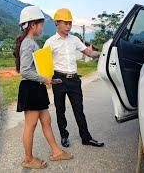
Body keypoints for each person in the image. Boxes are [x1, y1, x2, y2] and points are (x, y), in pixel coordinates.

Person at [13, 5, 73, 169]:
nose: (42, 27)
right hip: (31, 87)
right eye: (40, 24)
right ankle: (28, 159)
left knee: (46, 120)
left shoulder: (31, 42)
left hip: (37, 87)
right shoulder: (27, 43)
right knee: (31, 125)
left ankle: (56, 152)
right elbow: (25, 71)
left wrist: (45, 78)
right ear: (32, 25)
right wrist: (44, 79)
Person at [44, 8, 104, 148]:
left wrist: (103, 52)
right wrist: (46, 78)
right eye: (65, 23)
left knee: (79, 109)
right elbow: (44, 63)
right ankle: (64, 136)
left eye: (70, 23)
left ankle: (86, 137)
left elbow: (88, 52)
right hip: (58, 79)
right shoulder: (50, 42)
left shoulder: (75, 39)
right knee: (60, 110)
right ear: (57, 23)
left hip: (74, 80)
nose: (68, 26)